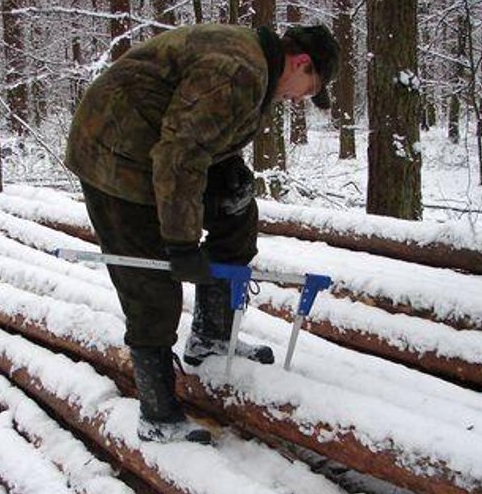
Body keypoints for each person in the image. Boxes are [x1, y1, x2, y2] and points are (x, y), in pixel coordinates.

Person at [65, 23, 339, 444]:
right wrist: (181, 241)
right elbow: (181, 153)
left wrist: (229, 175)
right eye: (308, 88)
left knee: (237, 213)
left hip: (157, 143)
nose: (300, 99)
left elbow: (202, 132)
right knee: (152, 286)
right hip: (115, 154)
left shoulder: (257, 68)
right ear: (301, 63)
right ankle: (157, 414)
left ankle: (211, 336)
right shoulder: (240, 69)